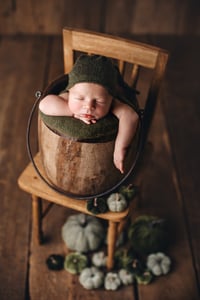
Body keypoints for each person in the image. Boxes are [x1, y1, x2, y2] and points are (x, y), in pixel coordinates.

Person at [39, 54, 139, 174]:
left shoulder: (113, 103)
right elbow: (44, 104)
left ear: (111, 98)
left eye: (99, 101)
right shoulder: (67, 98)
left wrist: (120, 148)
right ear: (69, 91)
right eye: (80, 98)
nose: (89, 106)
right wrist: (72, 112)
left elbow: (131, 116)